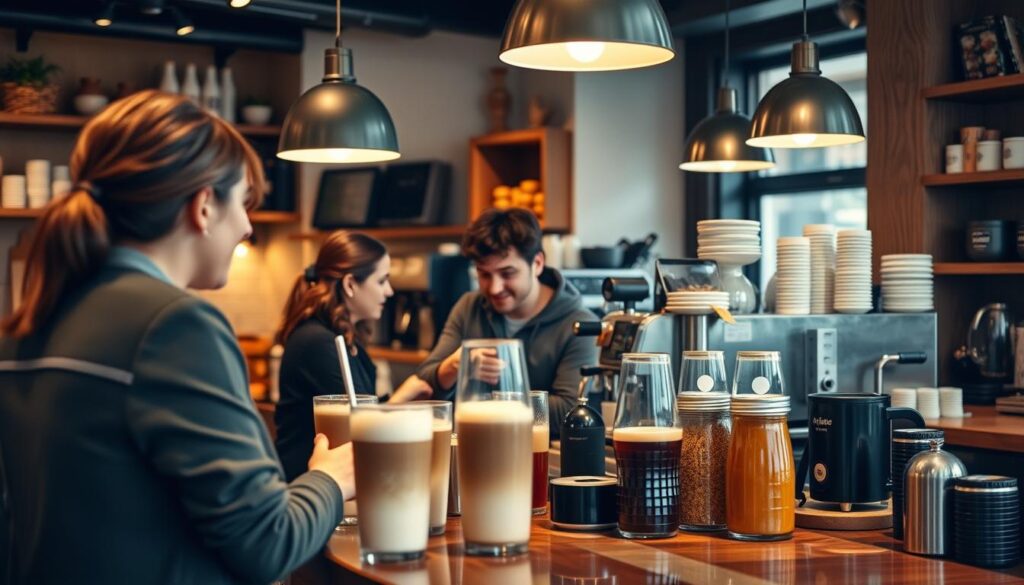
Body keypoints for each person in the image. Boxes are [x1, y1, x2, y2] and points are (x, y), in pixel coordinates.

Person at [0, 91, 352, 585]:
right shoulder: (175, 325)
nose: (248, 227)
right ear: (205, 205)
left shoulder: (27, 323)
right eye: (244, 203)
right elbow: (268, 543)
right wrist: (333, 478)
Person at [417, 208, 599, 431]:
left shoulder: (580, 325)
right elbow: (424, 385)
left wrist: (481, 401)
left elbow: (569, 411)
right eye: (484, 274)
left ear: (538, 264)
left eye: (507, 273)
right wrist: (454, 366)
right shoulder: (469, 307)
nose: (494, 288)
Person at [274, 230, 432, 481]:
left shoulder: (345, 337)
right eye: (381, 281)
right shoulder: (317, 341)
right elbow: (360, 426)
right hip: (307, 490)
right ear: (350, 285)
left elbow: (362, 409)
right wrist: (403, 395)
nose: (390, 291)